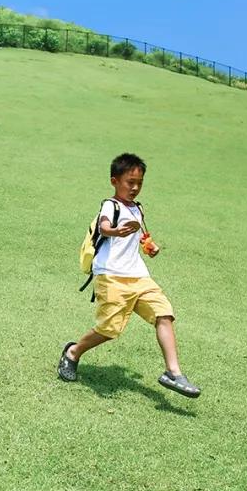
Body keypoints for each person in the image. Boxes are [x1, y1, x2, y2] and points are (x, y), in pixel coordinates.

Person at [58, 153, 201, 397]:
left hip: (139, 276)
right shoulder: (110, 205)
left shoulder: (138, 208)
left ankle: (173, 372)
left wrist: (149, 246)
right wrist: (115, 231)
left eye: (140, 183)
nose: (135, 188)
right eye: (130, 182)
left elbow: (142, 236)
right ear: (115, 181)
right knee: (108, 330)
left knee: (164, 314)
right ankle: (73, 352)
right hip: (112, 276)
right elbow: (104, 226)